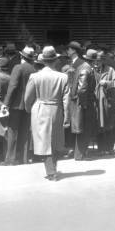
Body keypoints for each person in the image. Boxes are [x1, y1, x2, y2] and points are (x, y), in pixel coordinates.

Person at [24, 46, 70, 181]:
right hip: (56, 109)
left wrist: (29, 109)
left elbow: (27, 98)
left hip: (40, 108)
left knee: (44, 141)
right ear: (55, 60)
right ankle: (53, 168)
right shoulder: (63, 77)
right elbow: (66, 100)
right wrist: (67, 116)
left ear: (43, 61)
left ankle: (51, 171)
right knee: (55, 141)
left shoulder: (35, 76)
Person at [3, 46, 36, 165]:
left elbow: (13, 87)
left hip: (16, 105)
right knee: (25, 131)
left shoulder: (18, 67)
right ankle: (24, 158)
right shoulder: (33, 69)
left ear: (21, 56)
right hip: (29, 105)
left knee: (12, 131)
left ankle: (11, 159)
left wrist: (6, 104)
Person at [66, 42, 97, 161]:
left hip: (80, 102)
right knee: (82, 128)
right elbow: (81, 88)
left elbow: (81, 88)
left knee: (80, 128)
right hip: (81, 102)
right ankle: (80, 154)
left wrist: (81, 102)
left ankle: (79, 154)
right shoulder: (84, 67)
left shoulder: (82, 66)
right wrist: (83, 103)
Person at [92, 49, 115, 155]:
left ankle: (109, 148)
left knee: (109, 125)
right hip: (95, 103)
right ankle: (101, 148)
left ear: (103, 61)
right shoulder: (90, 70)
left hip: (107, 102)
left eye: (98, 61)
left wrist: (107, 83)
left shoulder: (110, 70)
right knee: (98, 126)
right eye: (94, 61)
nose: (96, 63)